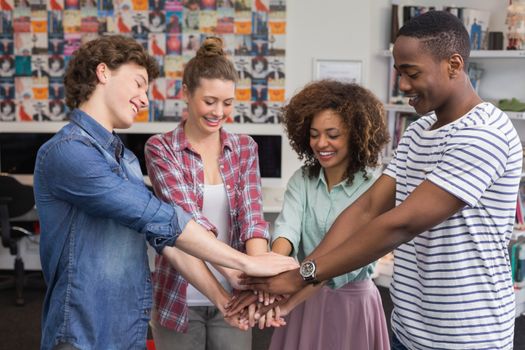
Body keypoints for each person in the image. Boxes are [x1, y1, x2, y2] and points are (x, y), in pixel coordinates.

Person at [239, 11, 522, 350]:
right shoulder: (418, 131)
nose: (402, 85)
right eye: (398, 72)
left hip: (467, 338)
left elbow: (401, 224)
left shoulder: (483, 134)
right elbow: (367, 209)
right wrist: (294, 282)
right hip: (408, 329)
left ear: (454, 64)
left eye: (411, 73)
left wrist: (300, 275)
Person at [33, 35, 297, 350]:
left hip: (126, 326)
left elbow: (166, 239)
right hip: (84, 332)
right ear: (103, 73)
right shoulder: (68, 153)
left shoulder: (125, 160)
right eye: (139, 84)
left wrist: (225, 300)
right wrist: (245, 263)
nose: (145, 100)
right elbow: (161, 217)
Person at [144, 36, 280, 350]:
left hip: (236, 292)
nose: (219, 111)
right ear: (186, 94)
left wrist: (256, 281)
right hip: (179, 296)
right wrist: (240, 270)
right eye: (210, 101)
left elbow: (252, 221)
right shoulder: (161, 148)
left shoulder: (245, 148)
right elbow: (188, 222)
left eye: (228, 103)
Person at [259, 80, 390, 350]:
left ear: (354, 136)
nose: (321, 143)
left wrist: (287, 304)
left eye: (332, 134)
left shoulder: (374, 187)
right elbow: (287, 231)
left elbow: (343, 262)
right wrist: (270, 270)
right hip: (303, 299)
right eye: (315, 134)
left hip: (352, 305)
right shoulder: (302, 180)